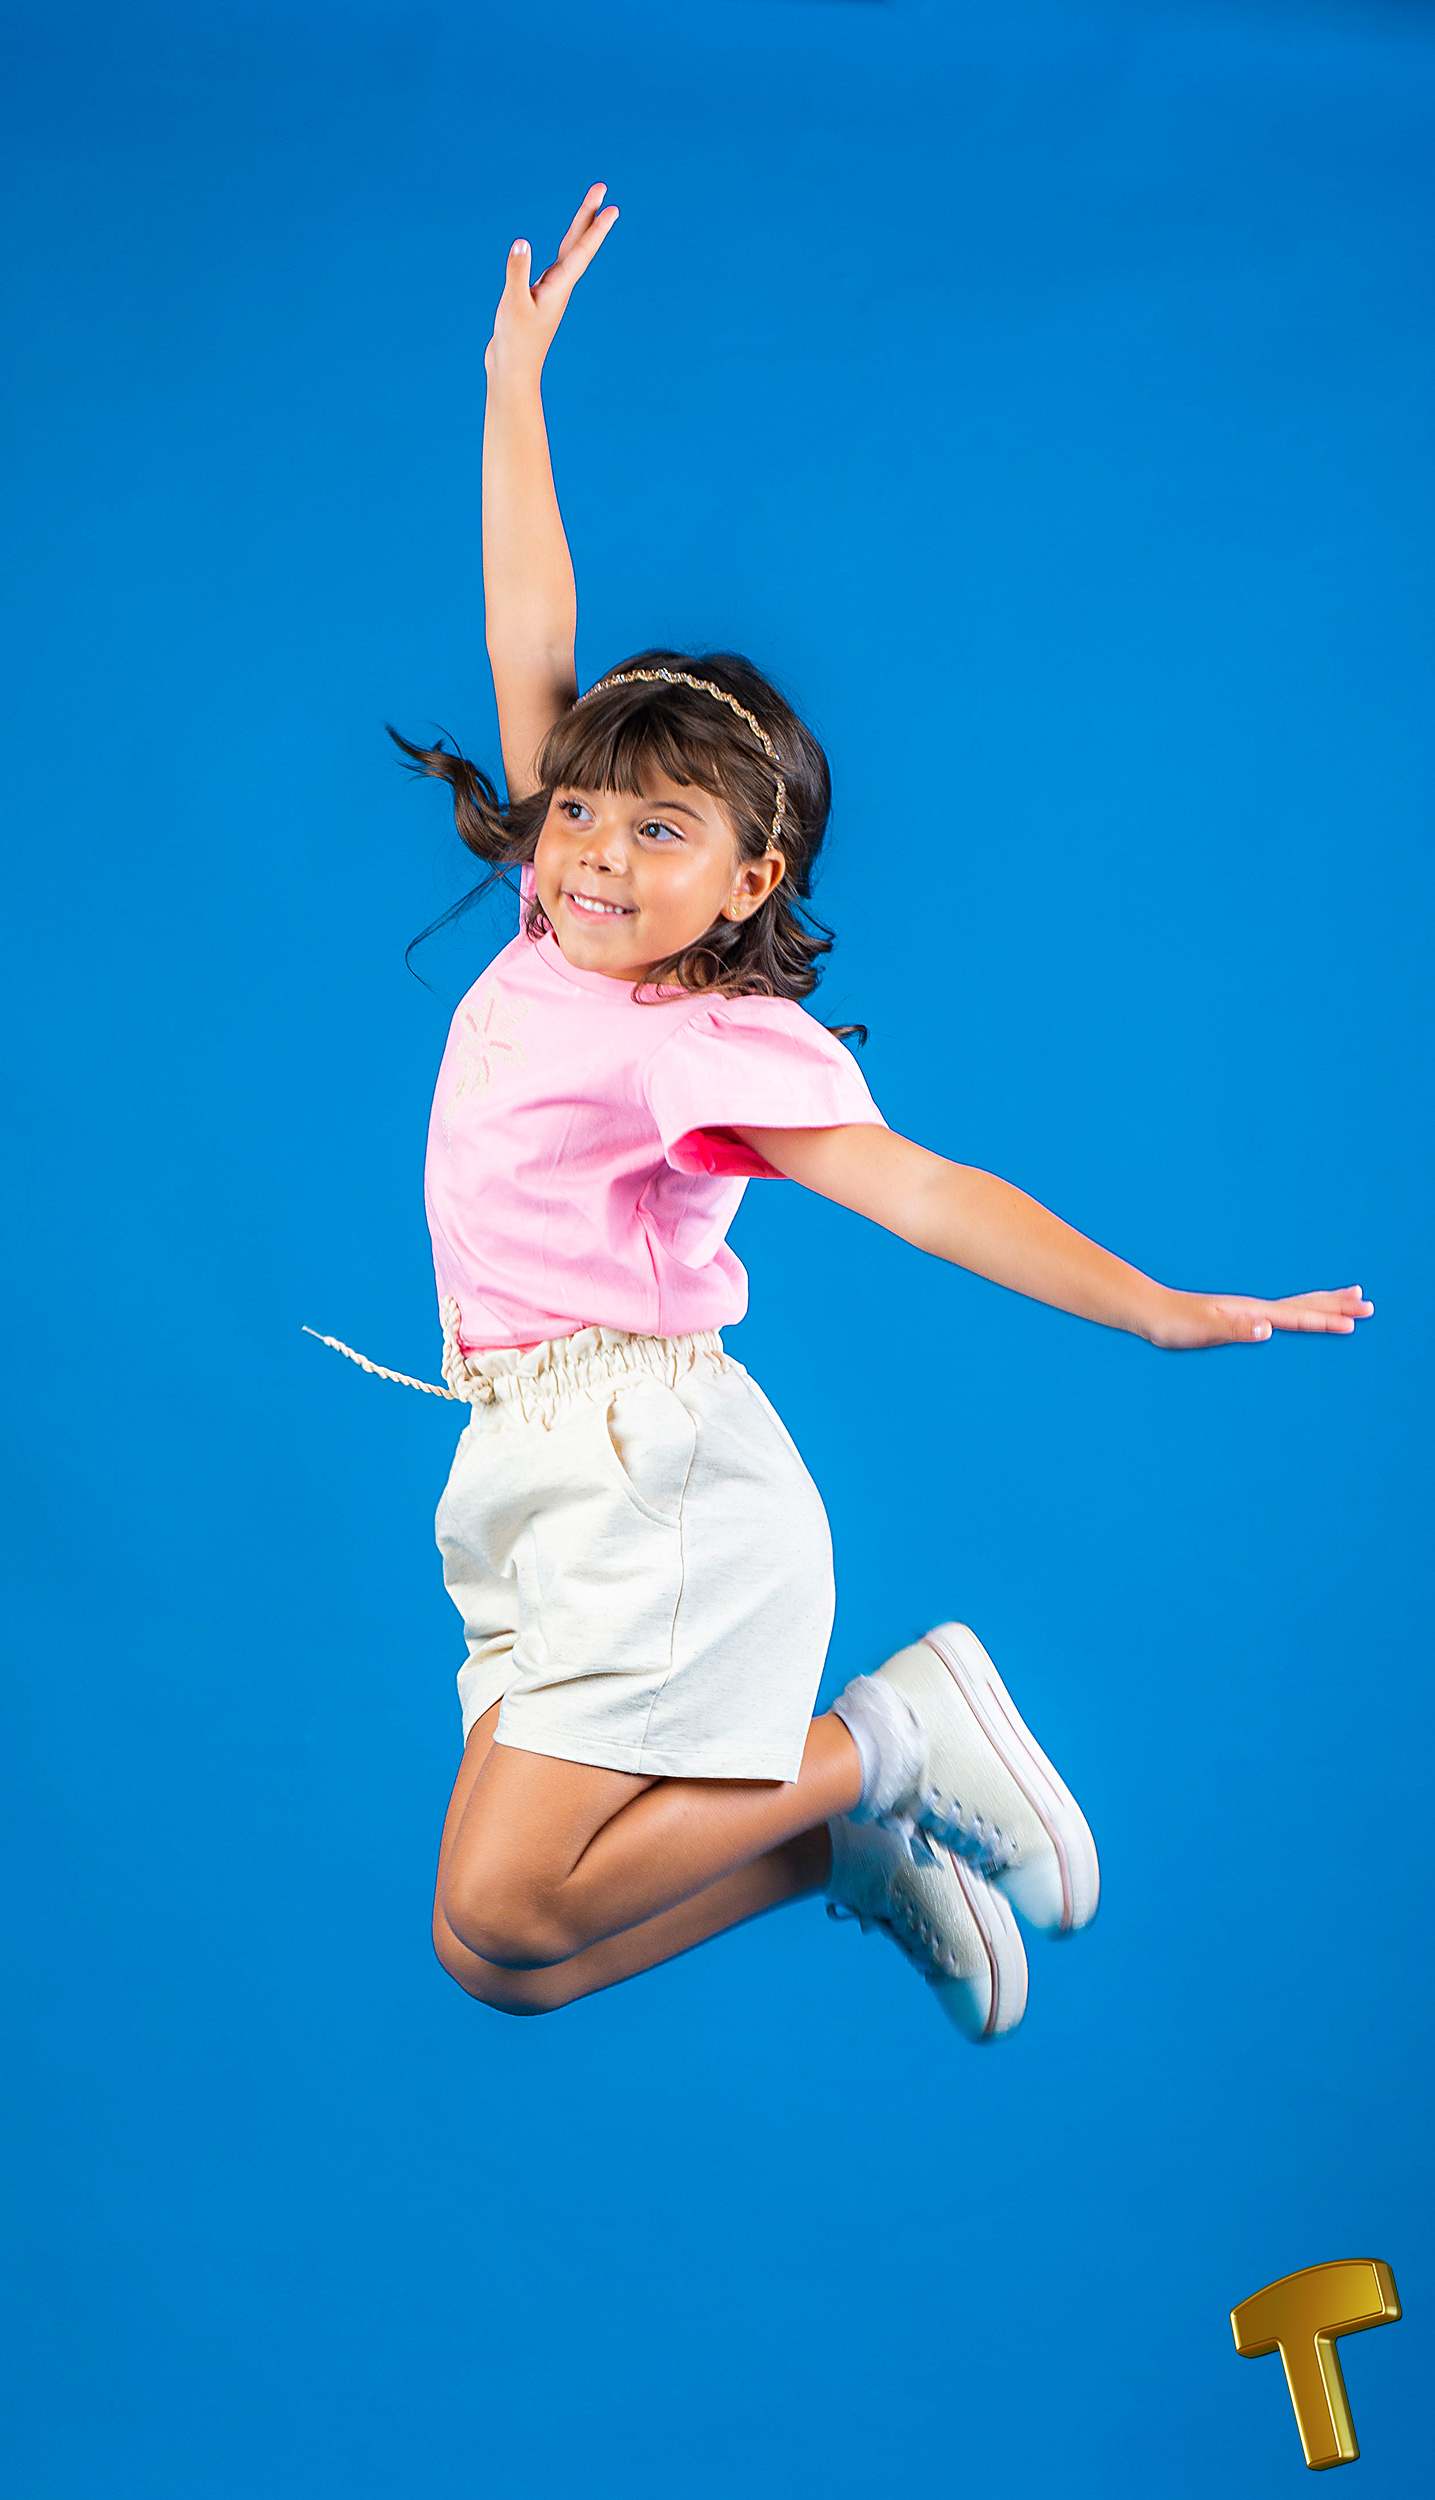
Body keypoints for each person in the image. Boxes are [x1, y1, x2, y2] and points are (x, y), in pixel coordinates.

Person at [346, 185, 1370, 2039]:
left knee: (503, 1892)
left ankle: (900, 1728)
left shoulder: (698, 1041)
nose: (596, 852)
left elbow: (923, 1190)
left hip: (644, 1479)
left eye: (663, 832)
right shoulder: (555, 928)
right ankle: (843, 1843)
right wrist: (512, 385)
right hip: (521, 1469)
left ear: (750, 882)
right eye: (581, 811)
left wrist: (1159, 1308)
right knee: (496, 1959)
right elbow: (531, 619)